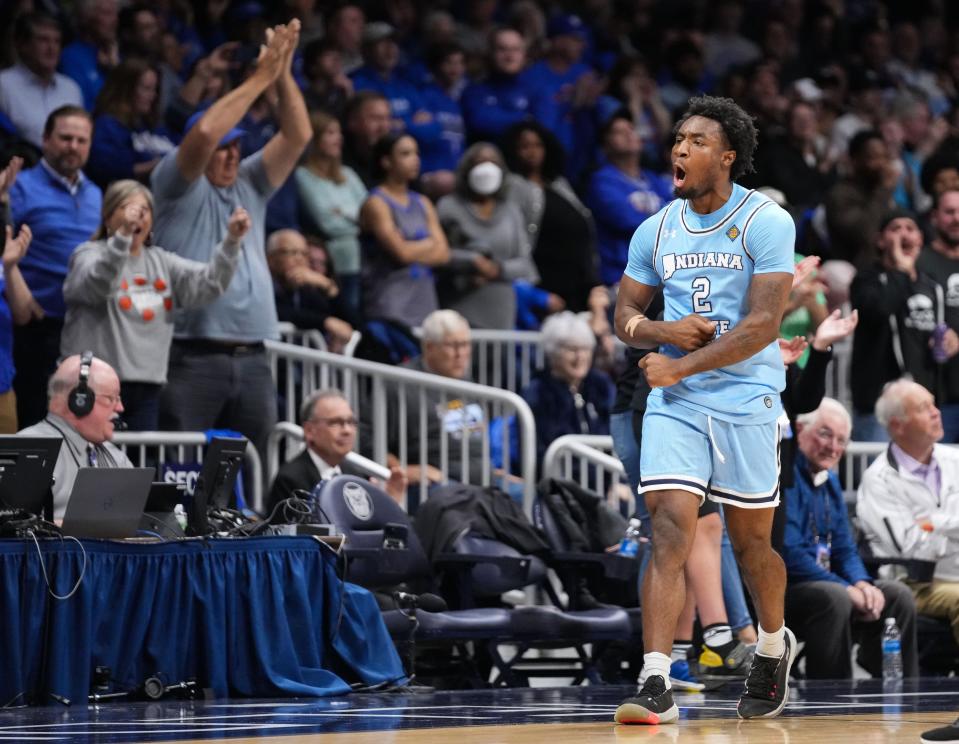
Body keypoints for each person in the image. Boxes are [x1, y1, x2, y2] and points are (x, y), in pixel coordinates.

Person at [613, 96, 797, 725]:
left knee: (752, 546)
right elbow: (624, 319)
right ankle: (655, 679)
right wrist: (662, 332)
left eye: (694, 140)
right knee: (668, 528)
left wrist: (681, 361)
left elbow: (764, 324)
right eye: (677, 139)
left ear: (727, 156)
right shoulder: (656, 228)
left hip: (746, 398)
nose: (679, 149)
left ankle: (772, 646)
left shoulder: (767, 221)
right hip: (677, 405)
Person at [150, 21, 311, 461]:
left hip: (255, 354)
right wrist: (258, 79)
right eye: (224, 147)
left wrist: (282, 73)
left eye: (237, 146)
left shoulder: (249, 182)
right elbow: (203, 134)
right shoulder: (175, 181)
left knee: (253, 470)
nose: (231, 154)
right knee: (181, 471)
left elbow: (298, 135)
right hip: (191, 354)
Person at [60, 181, 250, 431]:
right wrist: (121, 241)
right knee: (93, 466)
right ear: (108, 216)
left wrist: (232, 242)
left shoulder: (162, 262)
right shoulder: (88, 254)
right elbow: (99, 284)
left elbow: (209, 283)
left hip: (147, 388)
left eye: (144, 210)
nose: (138, 215)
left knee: (138, 468)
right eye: (128, 208)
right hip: (93, 387)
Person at [782, 398, 919, 679]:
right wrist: (846, 589)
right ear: (799, 429)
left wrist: (862, 584)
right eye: (825, 434)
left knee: (896, 595)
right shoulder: (784, 476)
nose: (833, 447)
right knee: (835, 598)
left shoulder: (830, 480)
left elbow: (844, 548)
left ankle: (903, 691)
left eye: (841, 440)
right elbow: (789, 553)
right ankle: (832, 697)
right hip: (785, 589)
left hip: (826, 583)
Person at [9, 106, 102, 429]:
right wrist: (13, 290)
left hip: (86, 328)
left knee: (79, 429)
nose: (73, 146)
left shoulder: (97, 194)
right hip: (37, 326)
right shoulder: (19, 188)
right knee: (37, 425)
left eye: (81, 139)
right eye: (65, 138)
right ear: (46, 139)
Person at [858, 379, 959, 645]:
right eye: (924, 408)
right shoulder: (878, 479)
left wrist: (933, 523)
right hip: (913, 585)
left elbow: (924, 533)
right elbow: (910, 550)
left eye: (934, 404)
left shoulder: (955, 461)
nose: (936, 412)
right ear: (897, 425)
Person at [849, 209, 955, 442]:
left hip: (924, 402)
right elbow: (878, 310)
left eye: (910, 228)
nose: (904, 235)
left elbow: (937, 332)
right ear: (880, 240)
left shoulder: (932, 286)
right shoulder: (867, 279)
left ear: (920, 238)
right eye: (895, 229)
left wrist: (949, 339)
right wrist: (901, 271)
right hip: (880, 403)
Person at [18, 353, 134, 522]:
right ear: (80, 401)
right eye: (111, 398)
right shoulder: (29, 450)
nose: (120, 407)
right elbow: (14, 529)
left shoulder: (116, 458)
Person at [436, 142, 537, 330]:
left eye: (493, 162)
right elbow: (438, 254)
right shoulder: (448, 206)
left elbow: (525, 263)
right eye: (480, 161)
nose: (487, 168)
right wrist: (472, 261)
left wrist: (496, 270)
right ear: (467, 167)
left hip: (501, 311)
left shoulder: (511, 211)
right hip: (459, 305)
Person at [358, 133, 448, 332]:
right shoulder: (377, 203)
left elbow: (444, 254)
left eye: (416, 153)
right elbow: (401, 253)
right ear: (386, 161)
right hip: (389, 306)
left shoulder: (423, 202)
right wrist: (429, 242)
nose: (415, 159)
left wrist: (410, 245)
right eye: (406, 154)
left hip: (425, 302)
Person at [267, 389, 406, 511]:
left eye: (351, 422)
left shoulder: (355, 476)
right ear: (310, 431)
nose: (347, 430)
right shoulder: (290, 479)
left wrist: (388, 503)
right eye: (335, 423)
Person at [295, 110, 367, 325]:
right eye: (330, 132)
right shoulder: (303, 175)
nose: (339, 138)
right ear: (315, 139)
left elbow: (370, 215)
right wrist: (354, 217)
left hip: (360, 261)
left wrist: (342, 213)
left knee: (356, 321)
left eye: (339, 132)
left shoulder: (349, 175)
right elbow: (326, 222)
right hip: (329, 262)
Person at [520, 311, 613, 470]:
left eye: (585, 349)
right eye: (572, 350)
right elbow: (541, 452)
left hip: (608, 478)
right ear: (553, 353)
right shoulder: (538, 392)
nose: (580, 357)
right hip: (562, 484)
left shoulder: (600, 384)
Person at [87, 58, 177, 189]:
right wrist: (153, 166)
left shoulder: (155, 126)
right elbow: (106, 170)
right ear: (126, 89)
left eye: (154, 89)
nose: (152, 96)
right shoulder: (106, 127)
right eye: (146, 89)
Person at [0, 13, 83, 149]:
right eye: (43, 40)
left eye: (57, 41)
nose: (52, 48)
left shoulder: (71, 89)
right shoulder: (4, 85)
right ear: (22, 45)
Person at [267, 229, 354, 352]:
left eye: (304, 253)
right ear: (271, 258)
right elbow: (278, 311)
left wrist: (328, 286)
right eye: (291, 252)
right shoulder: (263, 284)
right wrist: (325, 322)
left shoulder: (306, 290)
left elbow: (350, 323)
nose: (299, 259)